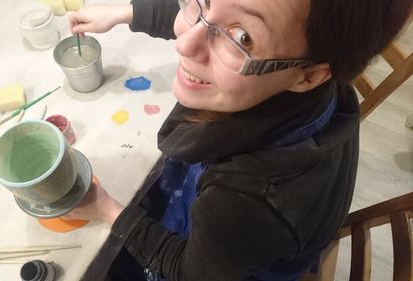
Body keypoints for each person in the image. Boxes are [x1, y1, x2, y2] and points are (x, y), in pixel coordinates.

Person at [64, 0, 412, 280]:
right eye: (201, 0)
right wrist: (126, 12)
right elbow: (220, 16)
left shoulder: (247, 200)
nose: (184, 43)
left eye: (243, 38)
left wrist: (106, 208)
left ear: (308, 76)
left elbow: (190, 272)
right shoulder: (314, 69)